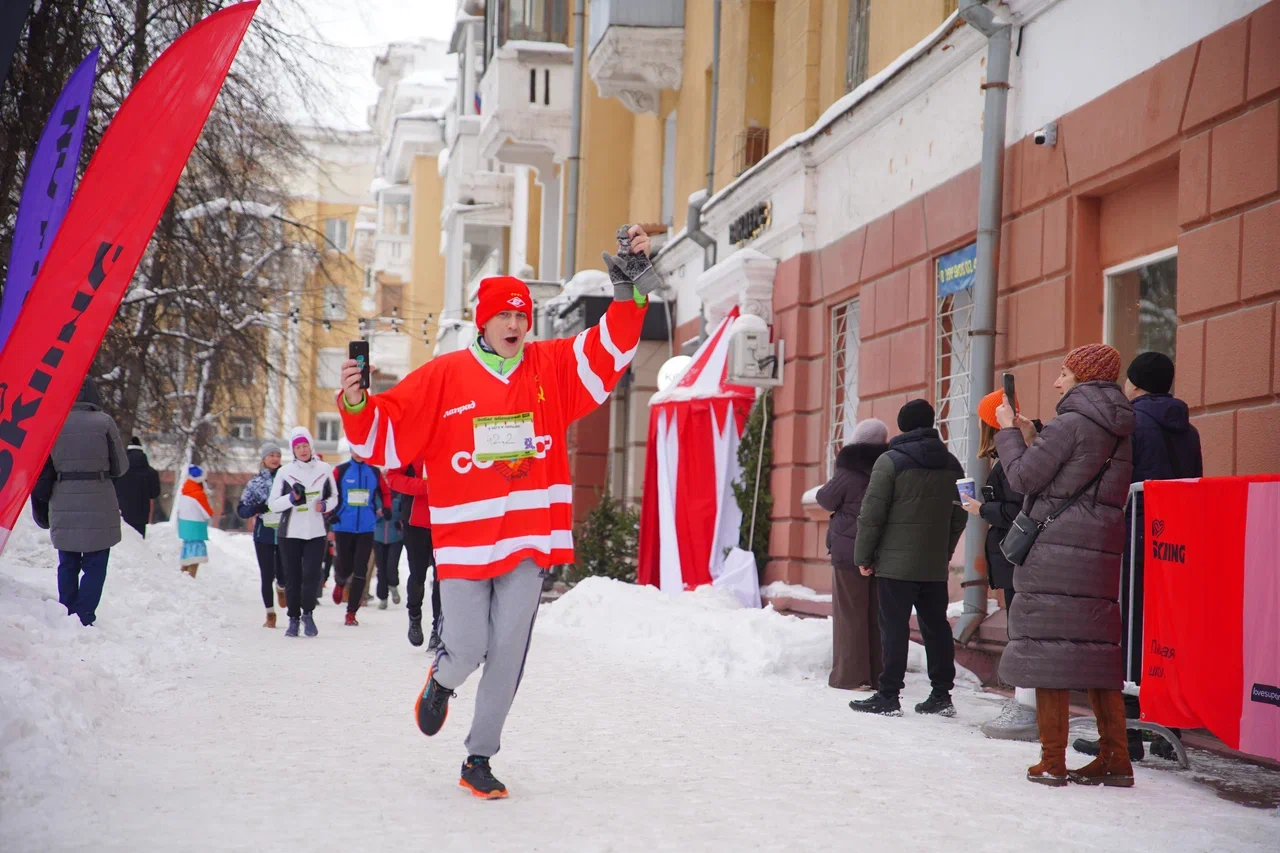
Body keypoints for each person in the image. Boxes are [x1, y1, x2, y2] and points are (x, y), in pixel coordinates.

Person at [336, 225, 657, 799]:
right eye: (505, 316)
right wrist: (358, 403)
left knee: (507, 652)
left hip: (528, 538)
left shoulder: (549, 368)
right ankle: (443, 679)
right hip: (462, 541)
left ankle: (478, 757)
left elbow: (607, 351)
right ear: (482, 320)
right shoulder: (444, 376)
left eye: (522, 316)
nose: (515, 325)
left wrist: (629, 293)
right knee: (467, 646)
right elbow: (388, 433)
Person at [994, 343, 1135, 787]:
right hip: (1098, 552)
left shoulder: (1070, 422)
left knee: (1048, 650)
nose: (1057, 382)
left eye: (1064, 373)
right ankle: (1117, 759)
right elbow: (1076, 474)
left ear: (1083, 377)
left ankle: (1052, 760)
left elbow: (1021, 478)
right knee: (1097, 655)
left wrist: (1007, 433)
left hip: (1055, 551)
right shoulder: (1119, 427)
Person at [1073, 351, 1203, 762]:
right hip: (1177, 543)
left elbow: (1118, 479)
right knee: (1166, 632)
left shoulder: (1131, 422)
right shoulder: (1189, 429)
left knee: (1126, 632)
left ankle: (1124, 734)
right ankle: (1168, 732)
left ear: (1134, 383)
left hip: (1133, 537)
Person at [850, 400, 966, 718]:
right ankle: (941, 694)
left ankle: (889, 696)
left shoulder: (889, 462)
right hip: (932, 566)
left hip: (894, 565)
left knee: (894, 628)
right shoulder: (953, 464)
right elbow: (961, 515)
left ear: (901, 426)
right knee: (936, 627)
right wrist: (944, 551)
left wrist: (863, 556)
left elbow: (871, 515)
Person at [962, 391, 1038, 741]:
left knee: (1021, 631)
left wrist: (983, 509)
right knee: (1019, 628)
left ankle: (1027, 705)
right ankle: (1027, 703)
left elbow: (1019, 511)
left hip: (1017, 555)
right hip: (1013, 555)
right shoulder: (1015, 453)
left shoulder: (1014, 458)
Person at [41, 378, 128, 627]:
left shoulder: (53, 423)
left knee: (67, 561)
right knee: (95, 562)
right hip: (99, 499)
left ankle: (66, 610)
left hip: (62, 497)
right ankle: (84, 615)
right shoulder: (104, 422)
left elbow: (44, 468)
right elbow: (120, 466)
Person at [816, 418, 889, 691]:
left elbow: (824, 498)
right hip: (880, 551)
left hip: (849, 553)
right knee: (875, 615)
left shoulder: (848, 471)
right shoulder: (888, 468)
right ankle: (876, 674)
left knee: (850, 614)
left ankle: (851, 677)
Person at [268, 427, 339, 638]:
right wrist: (290, 499)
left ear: (311, 446)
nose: (302, 450)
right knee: (293, 577)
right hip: (289, 533)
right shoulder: (284, 472)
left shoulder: (325, 469)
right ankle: (293, 619)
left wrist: (325, 506)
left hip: (315, 532)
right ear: (293, 450)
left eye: (305, 445)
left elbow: (334, 496)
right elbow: (273, 504)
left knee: (311, 575)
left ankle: (308, 615)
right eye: (298, 447)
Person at [328, 449, 387, 625]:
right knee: (344, 565)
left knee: (361, 569)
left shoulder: (374, 471)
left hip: (366, 527)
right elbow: (329, 492)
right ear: (351, 450)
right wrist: (331, 513)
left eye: (363, 449)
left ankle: (351, 612)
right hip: (343, 525)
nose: (359, 453)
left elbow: (386, 492)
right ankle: (340, 582)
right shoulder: (341, 470)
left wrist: (387, 508)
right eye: (356, 449)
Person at [386, 459, 438, 648]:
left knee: (443, 578)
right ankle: (414, 617)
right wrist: (423, 486)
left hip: (445, 520)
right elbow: (392, 477)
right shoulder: (411, 448)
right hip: (416, 521)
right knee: (418, 575)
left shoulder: (448, 442)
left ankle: (438, 629)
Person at [237, 442, 288, 628]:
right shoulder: (255, 483)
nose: (275, 459)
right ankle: (270, 615)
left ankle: (282, 587)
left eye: (277, 455)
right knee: (266, 575)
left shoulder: (287, 480)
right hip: (263, 535)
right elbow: (241, 510)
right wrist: (255, 508)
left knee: (283, 574)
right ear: (264, 459)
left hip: (285, 534)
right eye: (271, 456)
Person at [113, 436, 161, 538]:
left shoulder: (118, 471)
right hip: (141, 514)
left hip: (121, 513)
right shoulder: (151, 472)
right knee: (138, 542)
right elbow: (155, 493)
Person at [373, 472, 405, 610]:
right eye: (384, 477)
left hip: (395, 535)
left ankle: (393, 585)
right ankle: (383, 597)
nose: (386, 480)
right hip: (378, 535)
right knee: (381, 569)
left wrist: (400, 521)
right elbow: (369, 511)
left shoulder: (399, 494)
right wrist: (378, 514)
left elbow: (405, 511)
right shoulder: (376, 494)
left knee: (392, 566)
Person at [176, 465, 213, 577]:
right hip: (196, 527)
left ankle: (182, 577)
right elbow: (208, 513)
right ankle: (191, 578)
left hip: (184, 526)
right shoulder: (199, 494)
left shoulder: (184, 492)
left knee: (187, 555)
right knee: (195, 555)